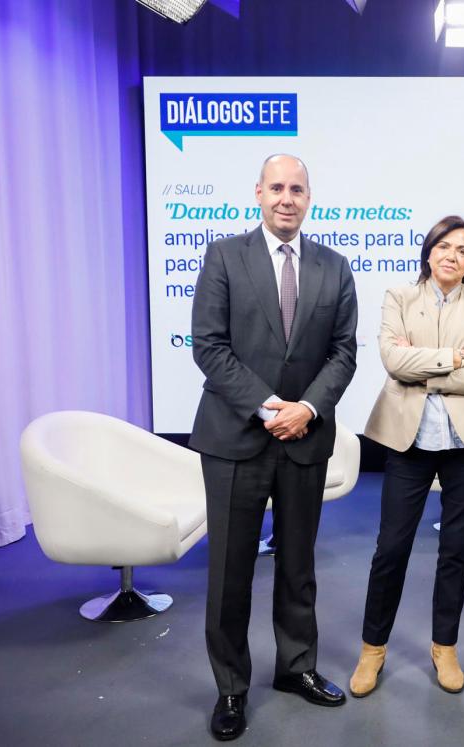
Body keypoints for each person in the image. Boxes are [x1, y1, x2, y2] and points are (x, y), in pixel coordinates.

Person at [189, 154, 358, 741]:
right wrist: (269, 408)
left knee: (298, 566)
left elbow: (343, 352)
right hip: (236, 437)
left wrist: (306, 409)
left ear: (310, 198)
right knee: (230, 571)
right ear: (257, 193)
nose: (287, 198)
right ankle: (231, 688)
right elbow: (209, 347)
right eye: (278, 188)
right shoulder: (223, 256)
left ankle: (296, 669)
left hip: (305, 439)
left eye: (298, 189)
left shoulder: (335, 268)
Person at [352, 216, 464, 697]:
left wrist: (428, 370)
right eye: (444, 246)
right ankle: (372, 650)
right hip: (409, 441)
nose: (452, 256)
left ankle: (445, 647)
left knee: (456, 549)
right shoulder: (400, 297)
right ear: (428, 251)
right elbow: (393, 362)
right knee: (391, 549)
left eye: (463, 251)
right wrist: (459, 358)